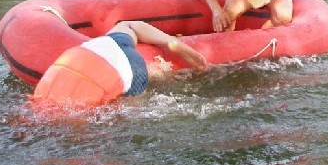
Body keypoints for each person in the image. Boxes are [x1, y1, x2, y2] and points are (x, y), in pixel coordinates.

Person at [32, 21, 208, 108]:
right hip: (103, 54)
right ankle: (160, 69)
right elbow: (129, 25)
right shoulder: (108, 39)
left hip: (111, 65)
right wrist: (179, 46)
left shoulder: (37, 105)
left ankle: (158, 72)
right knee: (133, 106)